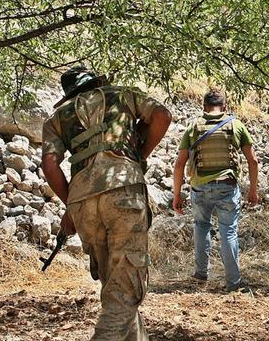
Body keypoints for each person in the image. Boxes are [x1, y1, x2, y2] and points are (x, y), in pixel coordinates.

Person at [41, 66, 171, 341]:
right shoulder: (123, 95)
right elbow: (162, 116)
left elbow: (50, 166)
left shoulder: (57, 118)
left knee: (115, 287)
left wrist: (71, 205)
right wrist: (138, 156)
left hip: (83, 204)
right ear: (98, 82)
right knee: (125, 291)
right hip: (123, 189)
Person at [172, 88, 259, 293]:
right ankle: (233, 283)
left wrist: (177, 194)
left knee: (201, 226)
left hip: (199, 188)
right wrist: (253, 190)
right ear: (225, 107)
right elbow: (253, 161)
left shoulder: (193, 127)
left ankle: (201, 274)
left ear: (204, 106)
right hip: (227, 188)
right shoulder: (236, 125)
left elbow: (178, 165)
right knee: (228, 231)